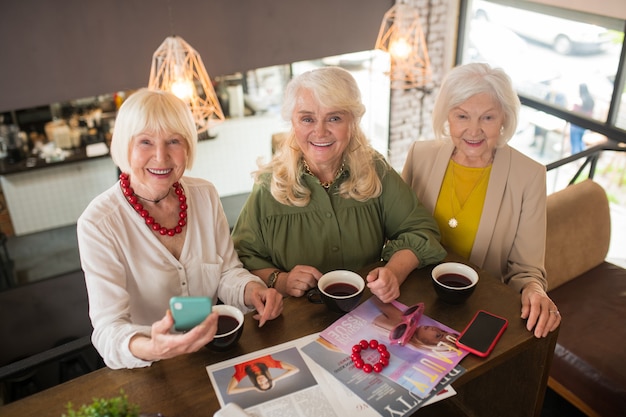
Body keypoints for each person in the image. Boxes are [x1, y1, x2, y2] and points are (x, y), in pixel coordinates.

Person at [77, 88, 283, 369]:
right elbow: (108, 329)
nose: (161, 157)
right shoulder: (98, 224)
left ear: (188, 146)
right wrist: (152, 346)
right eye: (146, 142)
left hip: (215, 350)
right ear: (124, 146)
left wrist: (252, 290)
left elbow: (226, 272)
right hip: (153, 367)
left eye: (173, 141)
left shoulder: (205, 195)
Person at [231, 67, 446, 303]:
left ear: (352, 121)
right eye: (307, 119)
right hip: (297, 320)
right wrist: (281, 281)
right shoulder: (268, 186)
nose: (320, 131)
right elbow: (240, 260)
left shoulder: (376, 170)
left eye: (334, 118)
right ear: (292, 122)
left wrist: (394, 272)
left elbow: (421, 231)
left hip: (367, 310)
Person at [402, 62, 560, 338]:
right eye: (462, 116)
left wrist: (535, 290)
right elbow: (397, 231)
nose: (473, 131)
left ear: (504, 120)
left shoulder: (529, 176)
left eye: (487, 118)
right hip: (411, 298)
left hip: (475, 310)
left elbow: (527, 270)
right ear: (447, 116)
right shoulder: (420, 155)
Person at [227, 355, 299, 394]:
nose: (262, 381)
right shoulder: (270, 363)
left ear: (256, 383)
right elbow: (295, 369)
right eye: (266, 382)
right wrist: (274, 380)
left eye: (260, 384)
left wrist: (254, 388)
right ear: (269, 379)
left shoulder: (242, 372)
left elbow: (230, 391)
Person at [569, 83, 595, 154]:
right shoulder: (590, 99)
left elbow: (575, 110)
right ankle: (581, 156)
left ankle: (575, 158)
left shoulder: (580, 99)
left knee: (575, 142)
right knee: (580, 141)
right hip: (584, 125)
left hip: (576, 124)